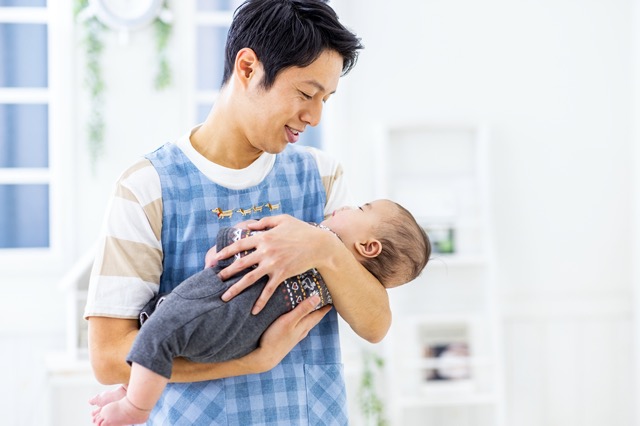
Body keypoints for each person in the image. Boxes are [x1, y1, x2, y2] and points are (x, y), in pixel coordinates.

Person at [84, 1, 393, 424]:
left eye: (326, 99)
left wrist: (324, 247)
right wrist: (253, 361)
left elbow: (375, 324)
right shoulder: (146, 188)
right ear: (247, 68)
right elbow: (108, 358)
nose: (315, 116)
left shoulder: (320, 178)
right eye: (306, 93)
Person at [89, 200, 431, 425]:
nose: (345, 205)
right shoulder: (336, 284)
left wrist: (223, 247)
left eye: (361, 207)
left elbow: (250, 238)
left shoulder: (321, 236)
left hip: (225, 310)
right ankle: (130, 390)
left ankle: (136, 406)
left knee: (163, 331)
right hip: (242, 337)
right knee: (167, 329)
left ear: (368, 246)